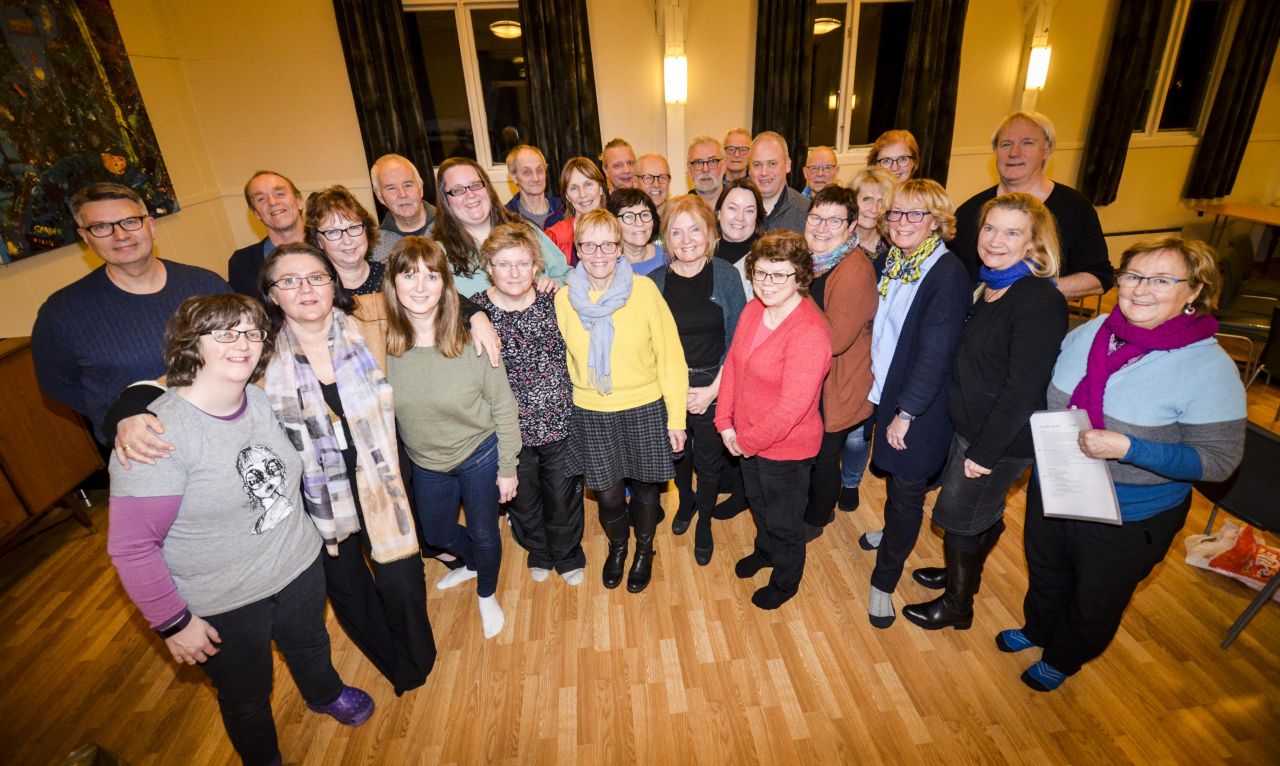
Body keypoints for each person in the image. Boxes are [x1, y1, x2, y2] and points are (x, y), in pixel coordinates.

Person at [107, 294, 374, 766]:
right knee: (246, 694)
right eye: (226, 333)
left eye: (252, 333)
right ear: (191, 344)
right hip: (224, 602)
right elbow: (132, 548)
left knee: (310, 642)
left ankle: (323, 693)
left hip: (297, 568)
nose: (243, 344)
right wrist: (173, 623)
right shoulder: (156, 437)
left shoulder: (258, 398)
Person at [999, 236, 1245, 691]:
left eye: (1162, 280)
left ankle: (1065, 656)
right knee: (1047, 570)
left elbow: (1219, 461)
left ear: (1194, 291)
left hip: (1129, 514)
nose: (1141, 289)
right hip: (1058, 485)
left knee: (1095, 597)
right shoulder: (1092, 331)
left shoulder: (1210, 369)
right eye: (1133, 276)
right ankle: (1038, 628)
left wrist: (1131, 448)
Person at [901, 193, 1067, 632]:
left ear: (1033, 243)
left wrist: (985, 453)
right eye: (990, 228)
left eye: (1012, 233)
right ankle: (963, 570)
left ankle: (958, 605)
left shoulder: (1038, 300)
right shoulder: (990, 284)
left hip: (999, 440)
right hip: (972, 428)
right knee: (977, 513)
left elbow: (1023, 390)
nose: (995, 240)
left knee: (957, 519)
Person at [384, 237, 523, 639]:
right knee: (436, 534)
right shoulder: (382, 347)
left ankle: (486, 592)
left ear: (446, 285)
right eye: (409, 276)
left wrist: (508, 468)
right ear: (393, 284)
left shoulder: (473, 341)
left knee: (484, 532)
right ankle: (476, 562)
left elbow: (504, 407)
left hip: (480, 455)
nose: (420, 286)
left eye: (431, 276)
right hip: (427, 463)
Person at [32, 182, 230, 445]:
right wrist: (114, 416)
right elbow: (58, 384)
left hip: (227, 431)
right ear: (86, 238)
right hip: (146, 450)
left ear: (151, 226)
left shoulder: (206, 285)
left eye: (130, 222)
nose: (120, 235)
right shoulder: (61, 314)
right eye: (101, 227)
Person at [555, 209, 688, 593]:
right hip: (593, 411)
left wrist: (676, 418)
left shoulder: (644, 291)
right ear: (578, 249)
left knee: (646, 489)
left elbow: (670, 356)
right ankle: (618, 547)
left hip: (644, 406)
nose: (598, 254)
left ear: (619, 248)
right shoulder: (564, 299)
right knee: (609, 494)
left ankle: (644, 550)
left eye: (607, 245)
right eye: (589, 245)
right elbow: (565, 361)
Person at [860, 179, 970, 629]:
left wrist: (906, 413)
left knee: (906, 493)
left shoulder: (946, 274)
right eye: (895, 213)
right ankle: (891, 531)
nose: (902, 222)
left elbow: (935, 354)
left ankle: (883, 583)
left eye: (915, 213)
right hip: (889, 391)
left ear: (937, 221)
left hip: (920, 405)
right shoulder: (895, 261)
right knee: (896, 483)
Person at [715, 231, 831, 609]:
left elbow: (791, 409)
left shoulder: (810, 331)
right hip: (748, 437)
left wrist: (745, 442)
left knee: (784, 521)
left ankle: (785, 580)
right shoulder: (754, 310)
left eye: (779, 274)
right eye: (761, 273)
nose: (766, 283)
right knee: (759, 504)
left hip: (787, 449)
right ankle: (765, 552)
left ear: (800, 276)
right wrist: (725, 421)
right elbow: (734, 366)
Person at [471, 223, 586, 585]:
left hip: (560, 421)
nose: (514, 272)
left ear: (536, 266)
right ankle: (539, 550)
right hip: (507, 431)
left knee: (562, 496)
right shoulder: (475, 311)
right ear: (488, 266)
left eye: (522, 263)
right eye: (503, 264)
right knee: (523, 500)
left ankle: (567, 553)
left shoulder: (556, 300)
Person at [649, 195, 747, 565]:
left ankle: (704, 520)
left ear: (709, 234)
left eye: (695, 230)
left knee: (708, 459)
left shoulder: (726, 274)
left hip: (715, 382)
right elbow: (650, 344)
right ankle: (686, 501)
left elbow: (738, 340)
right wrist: (671, 392)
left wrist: (712, 391)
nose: (686, 239)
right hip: (669, 386)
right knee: (677, 453)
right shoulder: (654, 282)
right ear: (666, 239)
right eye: (677, 232)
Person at [952, 112, 1112, 299]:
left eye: (1027, 143)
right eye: (1006, 144)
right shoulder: (969, 211)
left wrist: (1032, 293)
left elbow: (1099, 277)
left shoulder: (1075, 208)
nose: (1014, 153)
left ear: (1047, 149)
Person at [799, 187, 878, 537]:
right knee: (811, 454)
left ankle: (817, 519)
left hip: (839, 386)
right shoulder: (813, 261)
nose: (822, 228)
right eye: (816, 218)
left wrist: (796, 286)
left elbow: (834, 341)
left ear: (851, 226)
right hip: (814, 379)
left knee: (824, 457)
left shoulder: (854, 269)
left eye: (834, 221)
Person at [836, 166, 899, 510]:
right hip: (842, 346)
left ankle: (850, 481)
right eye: (866, 199)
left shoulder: (897, 251)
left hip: (878, 351)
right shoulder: (835, 244)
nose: (873, 208)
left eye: (880, 201)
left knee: (860, 431)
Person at [433, 157, 571, 298]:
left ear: (487, 187)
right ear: (445, 201)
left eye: (475, 185)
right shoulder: (438, 255)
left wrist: (556, 285)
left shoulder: (524, 230)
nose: (470, 194)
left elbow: (567, 276)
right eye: (457, 190)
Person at [228, 170, 307, 301]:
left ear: (299, 201)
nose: (272, 202)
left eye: (280, 194)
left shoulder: (332, 244)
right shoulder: (242, 263)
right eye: (261, 199)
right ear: (256, 213)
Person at [305, 185, 384, 295]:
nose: (347, 241)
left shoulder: (392, 276)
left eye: (353, 228)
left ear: (366, 230)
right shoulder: (313, 290)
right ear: (319, 241)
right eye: (333, 232)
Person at [370, 154, 437, 263]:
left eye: (408, 185)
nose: (402, 194)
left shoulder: (453, 226)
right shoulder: (374, 246)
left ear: (420, 188)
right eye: (391, 188)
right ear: (380, 197)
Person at [544, 156, 607, 266]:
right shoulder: (554, 237)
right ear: (567, 196)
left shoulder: (620, 229)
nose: (582, 194)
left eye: (588, 184)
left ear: (601, 188)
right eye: (573, 188)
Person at [713, 177, 765, 298]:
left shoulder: (768, 256)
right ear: (719, 212)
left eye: (749, 211)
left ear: (757, 217)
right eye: (732, 208)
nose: (740, 217)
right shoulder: (703, 253)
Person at [748, 131, 808, 234]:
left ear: (787, 165)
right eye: (757, 165)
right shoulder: (737, 211)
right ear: (749, 169)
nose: (764, 172)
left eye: (772, 163)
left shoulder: (806, 213)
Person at [504, 145, 566, 230]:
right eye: (527, 172)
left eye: (539, 170)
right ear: (514, 177)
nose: (535, 178)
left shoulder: (563, 210)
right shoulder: (506, 218)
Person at [607, 187, 665, 276]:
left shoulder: (668, 258)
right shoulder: (606, 267)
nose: (639, 223)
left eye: (645, 215)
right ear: (613, 221)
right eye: (629, 216)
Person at [687, 135, 726, 209]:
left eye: (712, 161)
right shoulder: (681, 212)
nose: (705, 169)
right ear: (689, 169)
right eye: (698, 162)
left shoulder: (741, 207)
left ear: (724, 166)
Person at [637, 153, 672, 217]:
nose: (656, 185)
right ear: (635, 182)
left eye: (662, 177)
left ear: (669, 182)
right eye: (648, 178)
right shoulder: (626, 219)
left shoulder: (679, 218)